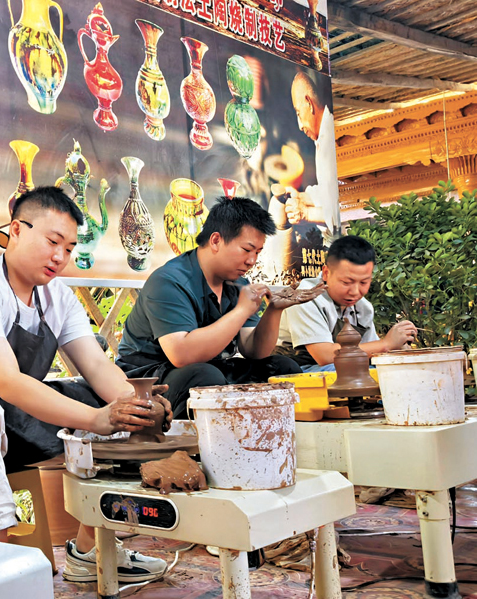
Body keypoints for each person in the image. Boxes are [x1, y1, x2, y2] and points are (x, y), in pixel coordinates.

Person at [0, 186, 171, 585]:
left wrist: (138, 403)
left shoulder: (58, 298)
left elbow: (98, 367)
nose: (60, 257)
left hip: (16, 418)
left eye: (69, 248)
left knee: (113, 407)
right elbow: (8, 382)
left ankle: (91, 550)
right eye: (53, 242)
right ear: (15, 229)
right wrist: (96, 419)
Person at [116, 196, 322, 419]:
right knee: (204, 380)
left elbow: (253, 350)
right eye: (246, 249)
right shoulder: (169, 281)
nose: (252, 260)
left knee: (283, 369)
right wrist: (241, 311)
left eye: (258, 252)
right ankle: (198, 450)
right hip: (149, 378)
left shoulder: (238, 284)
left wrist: (274, 310)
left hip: (207, 368)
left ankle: (270, 440)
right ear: (215, 241)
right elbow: (181, 355)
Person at [276, 235, 417, 371]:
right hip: (293, 369)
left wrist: (398, 347)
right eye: (346, 282)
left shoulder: (363, 308)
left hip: (340, 366)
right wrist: (386, 344)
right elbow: (324, 356)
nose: (355, 291)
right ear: (326, 273)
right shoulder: (306, 297)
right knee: (348, 373)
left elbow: (371, 351)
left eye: (364, 282)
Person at [284, 71, 339, 239]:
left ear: (309, 103)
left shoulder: (331, 138)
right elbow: (327, 193)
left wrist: (306, 213)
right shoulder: (321, 138)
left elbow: (336, 211)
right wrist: (302, 196)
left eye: (299, 113)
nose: (300, 125)